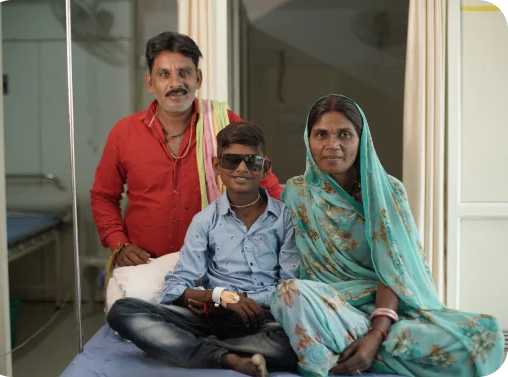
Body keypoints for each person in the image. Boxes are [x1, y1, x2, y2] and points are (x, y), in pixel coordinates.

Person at [270, 94, 504, 377]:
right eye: (321, 134)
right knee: (289, 293)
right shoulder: (297, 192)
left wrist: (377, 333)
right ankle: (365, 352)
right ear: (309, 140)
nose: (332, 145)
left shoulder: (388, 191)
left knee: (486, 336)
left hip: (386, 312)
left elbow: (395, 270)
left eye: (345, 134)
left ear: (362, 139)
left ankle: (352, 352)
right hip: (330, 309)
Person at [107, 122, 300, 377]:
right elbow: (176, 286)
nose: (242, 169)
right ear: (216, 165)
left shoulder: (286, 218)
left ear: (265, 166)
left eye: (252, 161)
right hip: (211, 315)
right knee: (123, 311)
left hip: (262, 321)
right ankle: (228, 358)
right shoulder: (204, 221)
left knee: (292, 347)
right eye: (232, 161)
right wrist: (220, 297)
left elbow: (291, 285)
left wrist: (250, 301)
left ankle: (187, 349)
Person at [90, 32, 282, 266]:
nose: (176, 83)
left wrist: (286, 240)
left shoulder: (224, 124)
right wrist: (118, 243)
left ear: (198, 78)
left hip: (217, 265)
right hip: (146, 266)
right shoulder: (124, 133)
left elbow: (267, 185)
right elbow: (103, 196)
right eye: (164, 74)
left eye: (185, 72)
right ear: (150, 82)